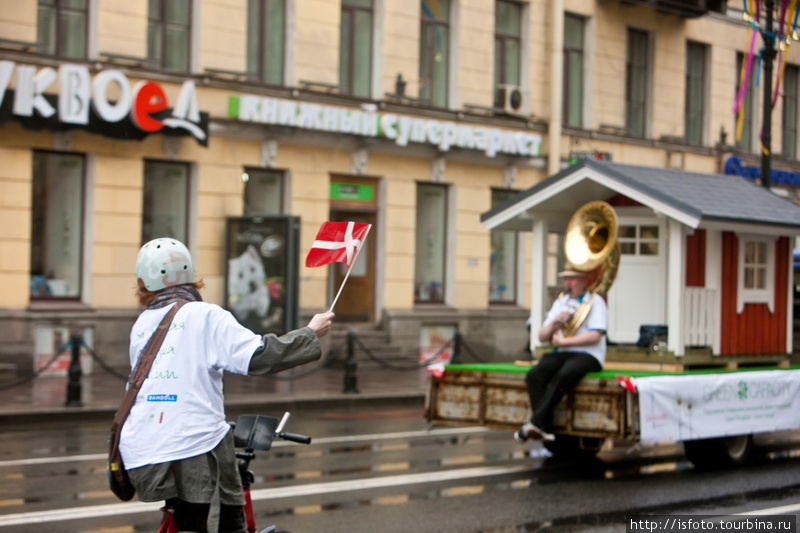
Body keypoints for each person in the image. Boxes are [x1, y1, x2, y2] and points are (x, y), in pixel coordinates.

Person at [119, 237, 334, 533]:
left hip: (143, 450)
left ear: (143, 281)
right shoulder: (206, 316)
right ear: (191, 275)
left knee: (184, 519)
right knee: (225, 524)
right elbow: (257, 357)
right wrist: (309, 333)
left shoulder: (143, 323)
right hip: (195, 445)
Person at [515, 264, 607, 443]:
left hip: (589, 354)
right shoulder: (561, 302)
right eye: (566, 279)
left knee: (565, 375)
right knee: (535, 374)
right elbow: (542, 336)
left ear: (583, 281)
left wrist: (566, 341)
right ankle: (545, 427)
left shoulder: (595, 301)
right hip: (564, 352)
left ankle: (536, 422)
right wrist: (554, 323)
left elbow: (596, 334)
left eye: (571, 279)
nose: (567, 283)